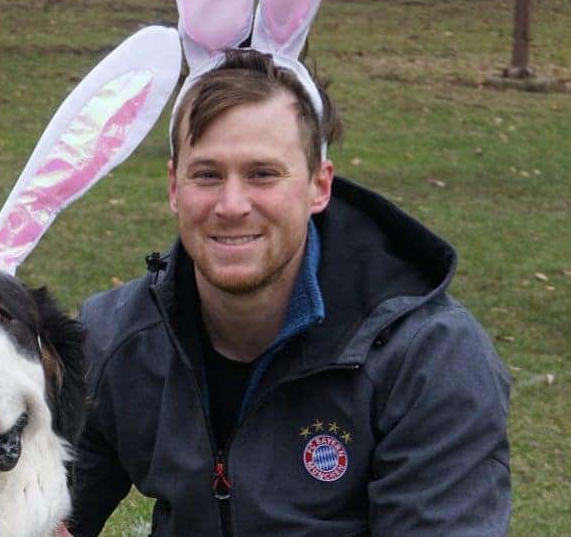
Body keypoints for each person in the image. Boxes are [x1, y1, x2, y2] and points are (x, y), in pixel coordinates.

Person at [67, 45, 511, 536]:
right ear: (174, 186)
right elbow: (37, 510)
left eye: (263, 174)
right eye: (207, 175)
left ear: (319, 186)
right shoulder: (115, 338)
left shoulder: (429, 357)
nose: (232, 205)